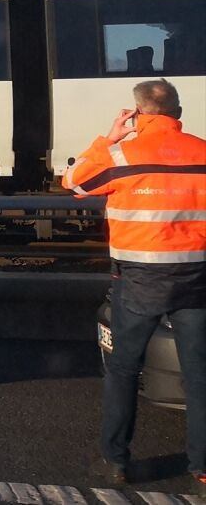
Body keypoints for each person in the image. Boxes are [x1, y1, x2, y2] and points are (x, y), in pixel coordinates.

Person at [62, 79, 206, 490]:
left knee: (124, 368)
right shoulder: (203, 153)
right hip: (196, 277)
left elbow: (74, 183)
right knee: (199, 374)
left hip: (139, 280)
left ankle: (116, 461)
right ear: (179, 113)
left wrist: (109, 137)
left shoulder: (121, 155)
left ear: (139, 115)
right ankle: (202, 468)